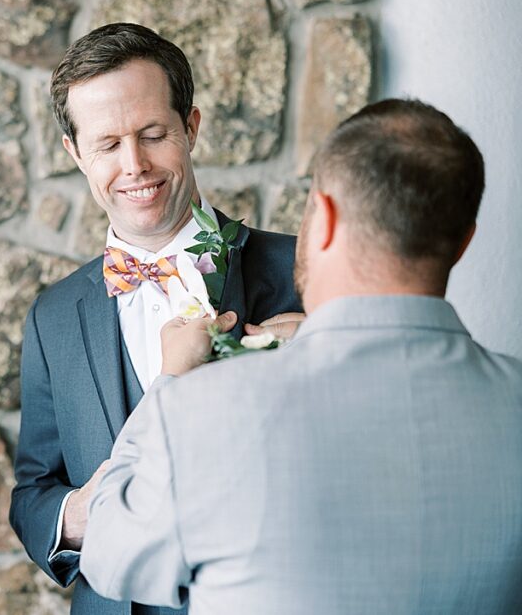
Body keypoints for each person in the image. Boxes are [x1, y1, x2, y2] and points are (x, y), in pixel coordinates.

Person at [80, 99, 522, 614]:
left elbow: (110, 552)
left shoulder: (197, 412)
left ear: (324, 219)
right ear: (465, 243)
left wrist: (170, 383)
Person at [9, 22, 303, 615]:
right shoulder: (53, 316)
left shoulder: (301, 269)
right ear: (75, 154)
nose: (134, 165)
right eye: (107, 145)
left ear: (190, 128)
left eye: (152, 134)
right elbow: (32, 492)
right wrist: (80, 513)